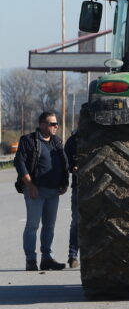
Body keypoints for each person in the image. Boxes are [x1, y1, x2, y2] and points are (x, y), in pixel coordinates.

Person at [15, 111, 70, 271]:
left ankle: (47, 258)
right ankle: (31, 260)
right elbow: (19, 163)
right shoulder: (29, 140)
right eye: (52, 124)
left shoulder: (56, 141)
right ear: (42, 125)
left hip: (53, 191)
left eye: (56, 123)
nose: (56, 126)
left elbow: (64, 163)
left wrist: (64, 183)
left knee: (49, 226)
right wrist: (30, 185)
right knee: (32, 225)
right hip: (36, 190)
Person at [64, 127, 80, 268]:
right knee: (76, 222)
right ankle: (72, 255)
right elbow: (65, 161)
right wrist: (72, 168)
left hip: (105, 189)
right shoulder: (73, 140)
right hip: (79, 187)